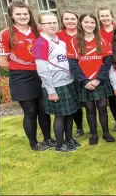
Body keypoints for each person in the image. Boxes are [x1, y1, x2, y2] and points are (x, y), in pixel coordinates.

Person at [0, 1, 55, 151]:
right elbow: (2, 61)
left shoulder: (38, 31)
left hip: (41, 74)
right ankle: (34, 143)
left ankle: (48, 139)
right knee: (30, 111)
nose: (23, 16)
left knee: (44, 109)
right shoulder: (5, 34)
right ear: (11, 16)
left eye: (25, 13)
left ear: (30, 14)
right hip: (21, 77)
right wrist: (22, 67)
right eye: (18, 14)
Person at [33, 12, 81, 152]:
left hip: (67, 82)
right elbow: (42, 69)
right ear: (41, 26)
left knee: (70, 113)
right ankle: (60, 145)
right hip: (55, 86)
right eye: (48, 23)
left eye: (54, 22)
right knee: (60, 116)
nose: (53, 25)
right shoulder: (41, 43)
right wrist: (51, 90)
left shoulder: (60, 41)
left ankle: (69, 139)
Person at [67, 13, 115, 145]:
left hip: (99, 80)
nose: (89, 25)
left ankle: (106, 133)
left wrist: (98, 79)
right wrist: (84, 81)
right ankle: (94, 134)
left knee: (103, 107)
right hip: (84, 82)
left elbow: (108, 62)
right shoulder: (74, 41)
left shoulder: (102, 40)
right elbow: (73, 64)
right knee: (89, 108)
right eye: (86, 22)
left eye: (92, 22)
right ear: (81, 23)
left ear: (96, 24)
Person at [57, 10, 84, 138]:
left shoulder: (83, 34)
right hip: (66, 73)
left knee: (84, 101)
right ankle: (79, 127)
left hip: (83, 71)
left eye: (73, 19)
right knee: (73, 102)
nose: (70, 21)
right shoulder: (58, 35)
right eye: (67, 19)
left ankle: (88, 125)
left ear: (77, 20)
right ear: (62, 21)